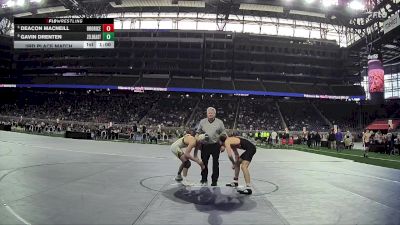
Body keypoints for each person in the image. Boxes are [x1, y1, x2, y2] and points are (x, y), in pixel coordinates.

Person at [197, 107, 226, 186]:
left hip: (215, 145)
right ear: (206, 114)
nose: (210, 114)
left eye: (211, 113)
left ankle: (214, 180)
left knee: (215, 163)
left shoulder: (219, 122)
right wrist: (197, 142)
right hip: (204, 145)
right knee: (204, 163)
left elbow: (224, 134)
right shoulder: (202, 122)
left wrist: (223, 145)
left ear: (214, 114)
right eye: (208, 113)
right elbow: (197, 132)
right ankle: (204, 179)